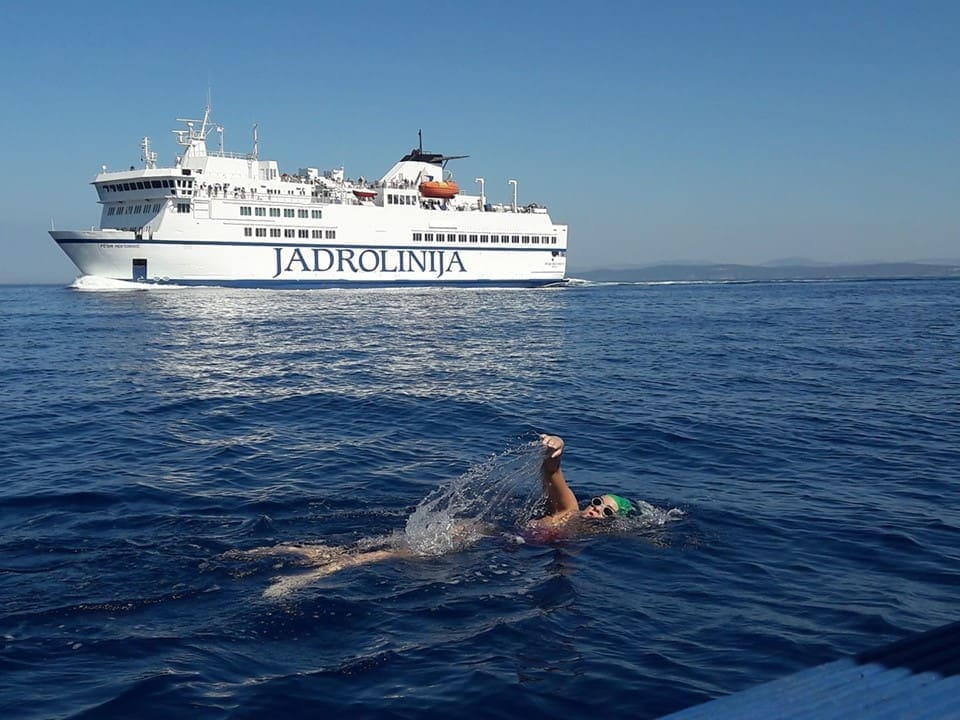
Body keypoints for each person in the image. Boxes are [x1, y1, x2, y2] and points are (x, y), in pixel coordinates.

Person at [242, 433, 636, 598]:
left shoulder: (583, 535)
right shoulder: (567, 513)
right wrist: (557, 449)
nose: (596, 506)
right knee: (398, 553)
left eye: (606, 510)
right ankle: (306, 578)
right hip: (483, 536)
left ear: (612, 522)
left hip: (492, 538)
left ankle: (299, 553)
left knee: (390, 546)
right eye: (599, 499)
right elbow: (552, 474)